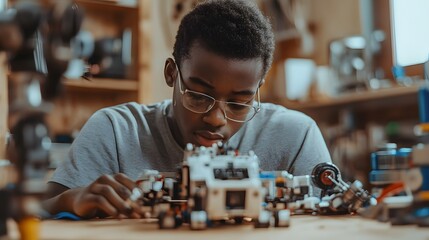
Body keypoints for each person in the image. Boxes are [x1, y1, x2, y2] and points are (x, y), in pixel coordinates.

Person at [43, 0, 332, 219]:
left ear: (257, 90)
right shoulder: (116, 131)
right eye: (198, 95)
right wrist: (67, 201)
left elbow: (332, 222)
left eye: (239, 103)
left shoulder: (296, 136)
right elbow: (34, 212)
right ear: (172, 73)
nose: (216, 118)